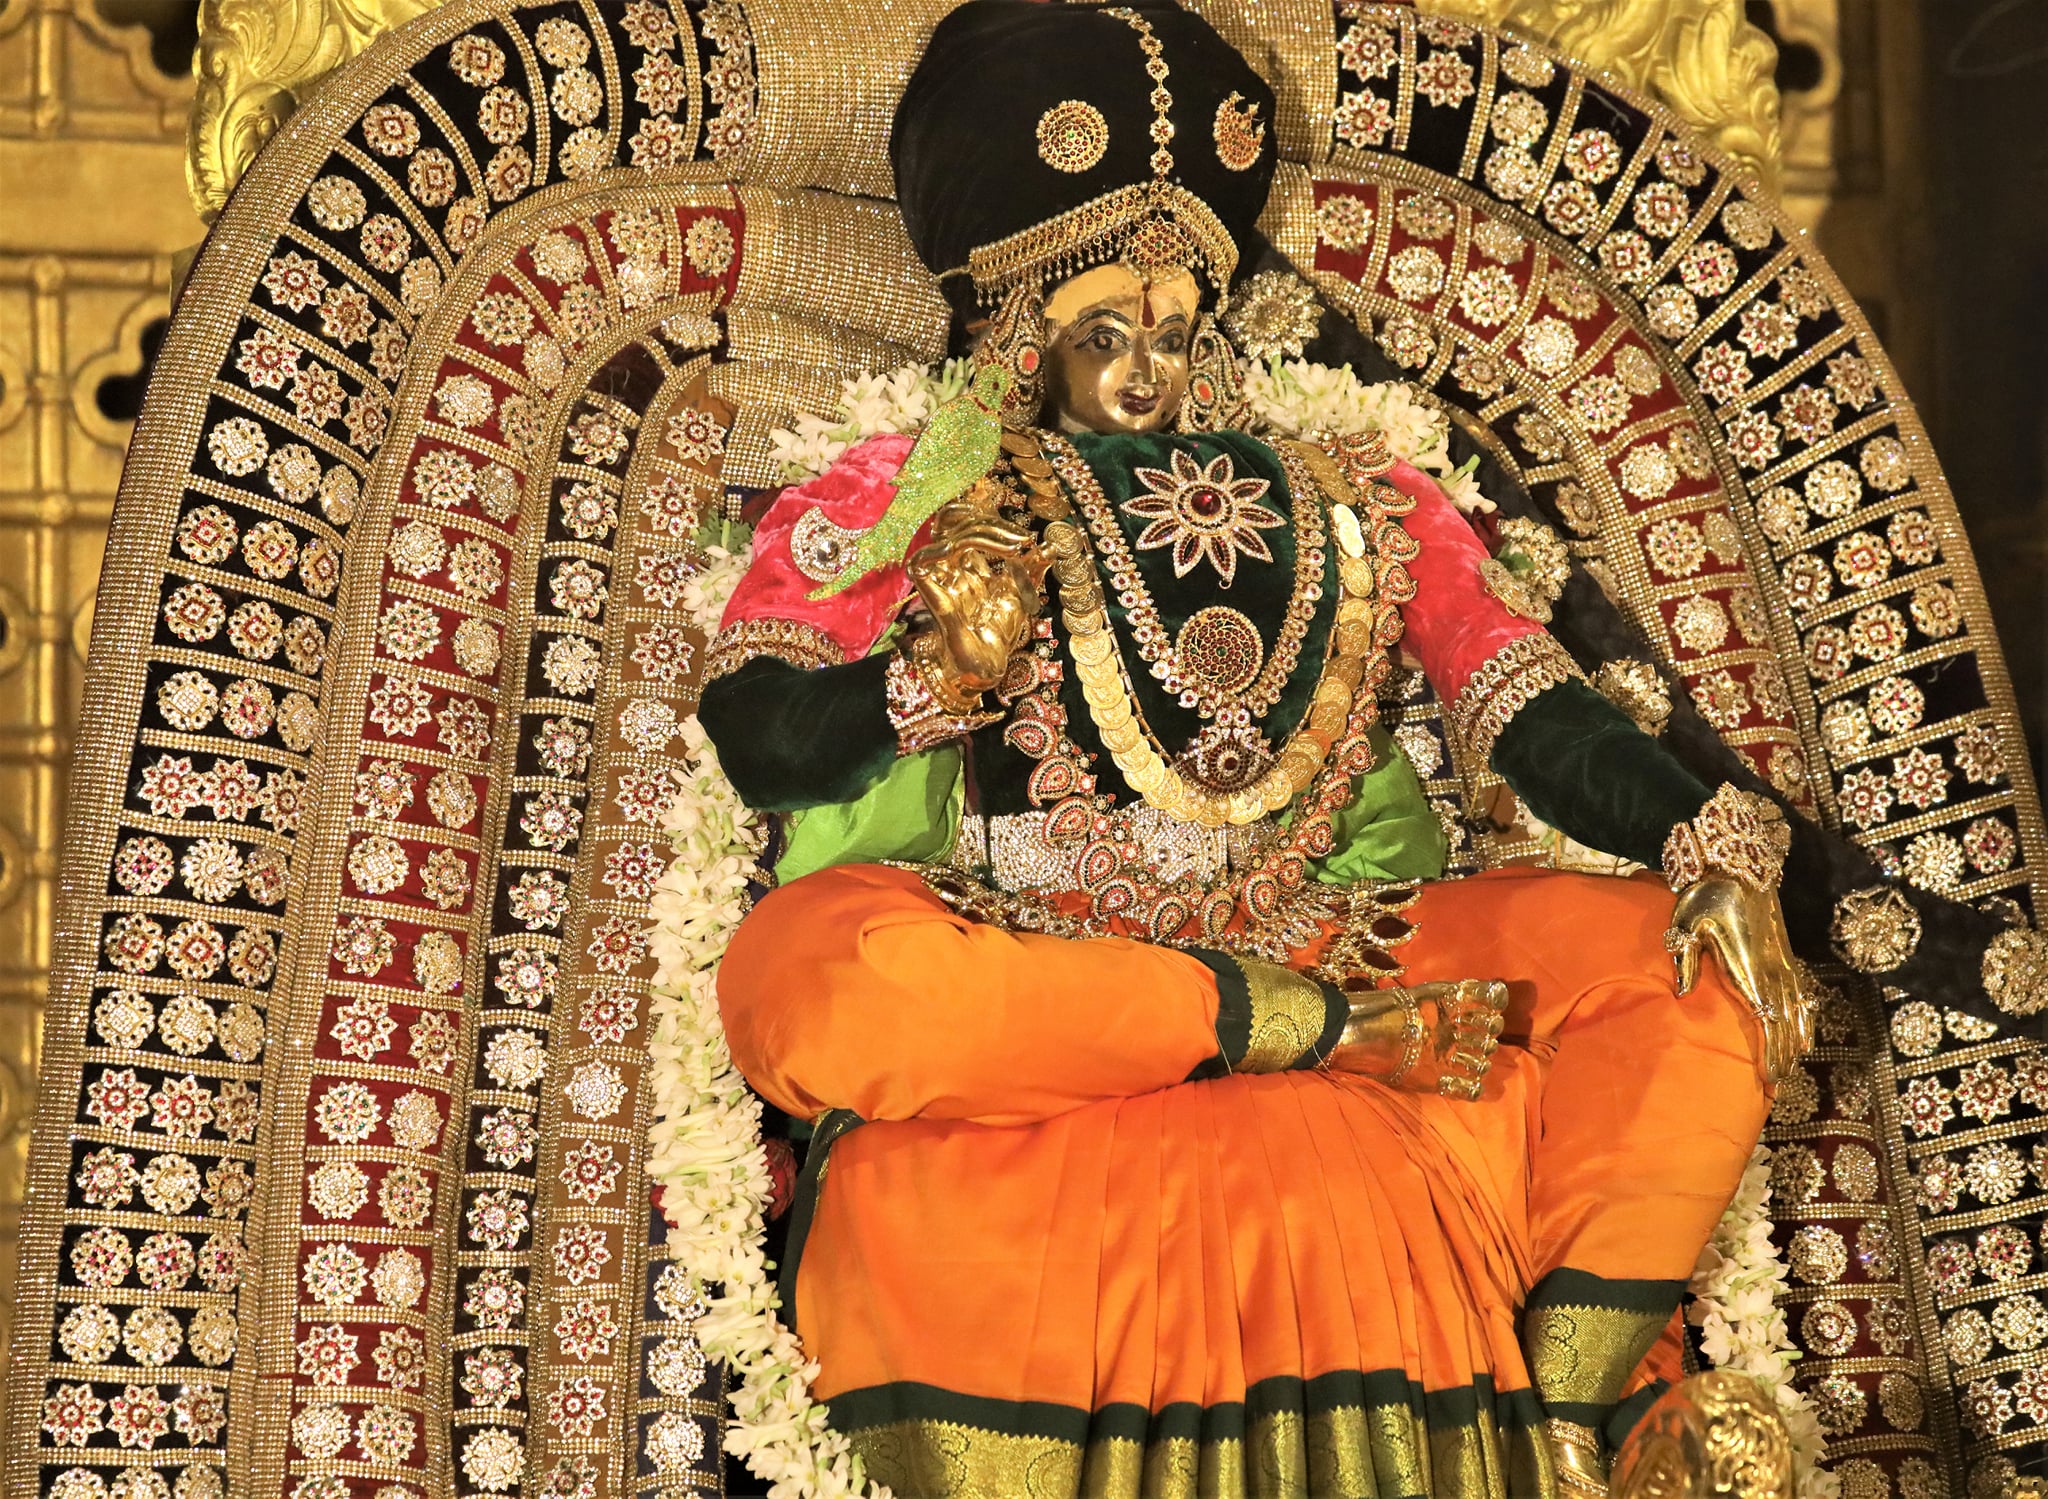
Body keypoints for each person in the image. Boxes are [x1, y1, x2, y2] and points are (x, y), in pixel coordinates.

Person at [698, 5, 1810, 1494]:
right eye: (1101, 333)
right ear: (1015, 330)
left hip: (1327, 926)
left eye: (1170, 334)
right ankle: (1278, 1028)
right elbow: (761, 738)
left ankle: (1576, 1417)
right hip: (1029, 954)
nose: (1143, 376)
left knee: (1680, 964)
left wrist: (1700, 843)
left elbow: (1519, 693)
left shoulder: (1354, 492)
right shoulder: (913, 488)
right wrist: (934, 677)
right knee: (808, 973)